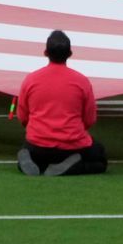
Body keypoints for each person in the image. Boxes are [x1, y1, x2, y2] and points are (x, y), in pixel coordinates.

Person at [14, 29, 106, 175]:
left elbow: (23, 116)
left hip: (37, 143)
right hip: (71, 144)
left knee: (30, 149)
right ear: (70, 54)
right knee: (100, 160)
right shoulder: (81, 81)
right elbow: (89, 119)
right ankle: (70, 166)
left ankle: (28, 160)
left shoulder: (31, 79)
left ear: (45, 52)